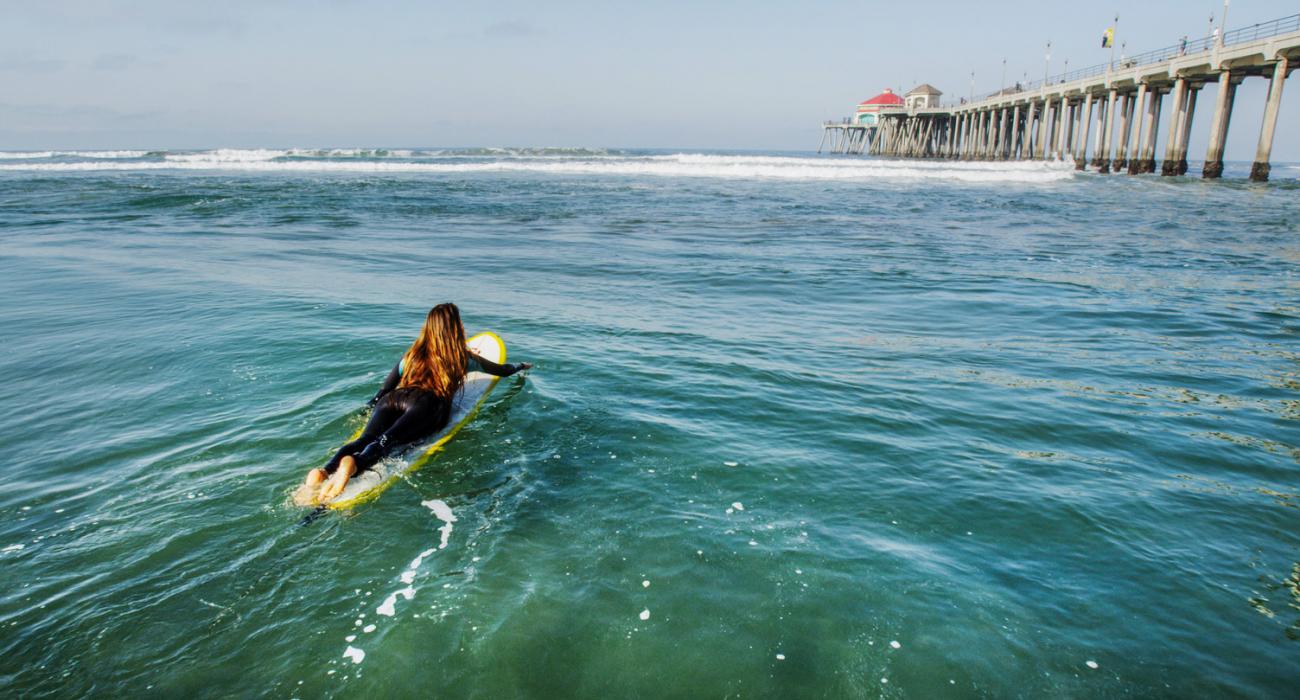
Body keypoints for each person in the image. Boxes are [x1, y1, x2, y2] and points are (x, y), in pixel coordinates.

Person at [295, 303, 531, 505]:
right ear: (456, 328)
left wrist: (368, 409)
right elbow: (502, 370)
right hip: (425, 404)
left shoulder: (412, 354)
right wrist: (520, 366)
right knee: (387, 442)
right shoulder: (462, 357)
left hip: (392, 399)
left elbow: (383, 391)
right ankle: (355, 463)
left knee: (364, 439)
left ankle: (326, 470)